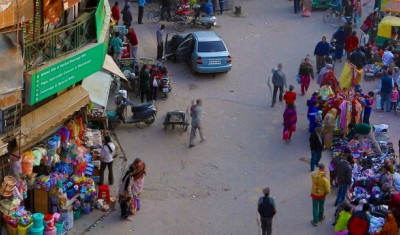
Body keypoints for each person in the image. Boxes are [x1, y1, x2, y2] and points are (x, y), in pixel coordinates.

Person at [310, 163, 330, 227]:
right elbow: (327, 189)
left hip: (314, 194)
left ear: (319, 168)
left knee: (315, 207)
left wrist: (318, 173)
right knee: (321, 206)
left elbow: (312, 174)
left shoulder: (314, 175)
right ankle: (320, 217)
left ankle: (315, 221)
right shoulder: (325, 179)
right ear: (324, 169)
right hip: (322, 195)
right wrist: (327, 192)